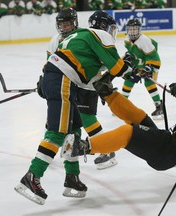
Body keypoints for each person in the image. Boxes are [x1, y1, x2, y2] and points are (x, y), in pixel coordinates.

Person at [14, 10, 138, 205]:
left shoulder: (79, 35)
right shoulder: (99, 34)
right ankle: (32, 176)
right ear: (105, 27)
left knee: (73, 132)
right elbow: (117, 68)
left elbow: (89, 72)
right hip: (63, 80)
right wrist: (132, 68)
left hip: (65, 81)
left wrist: (44, 81)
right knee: (57, 133)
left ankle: (72, 178)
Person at [61, 82, 176, 174]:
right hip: (167, 144)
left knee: (128, 132)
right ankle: (108, 94)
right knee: (139, 117)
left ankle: (82, 147)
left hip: (168, 152)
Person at [44, 8, 117, 170]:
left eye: (68, 23)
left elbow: (102, 62)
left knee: (86, 117)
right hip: (66, 83)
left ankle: (107, 150)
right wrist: (45, 80)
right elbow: (50, 62)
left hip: (87, 83)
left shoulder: (85, 35)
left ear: (75, 22)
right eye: (61, 24)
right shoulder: (55, 40)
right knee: (56, 115)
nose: (64, 27)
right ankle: (49, 146)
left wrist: (106, 80)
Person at [122, 18, 164, 120]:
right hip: (138, 65)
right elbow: (133, 53)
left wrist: (149, 68)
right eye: (130, 29)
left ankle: (159, 106)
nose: (132, 31)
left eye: (135, 29)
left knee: (149, 83)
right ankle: (121, 104)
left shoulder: (144, 41)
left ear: (139, 30)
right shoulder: (127, 40)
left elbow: (155, 57)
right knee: (128, 81)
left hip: (150, 65)